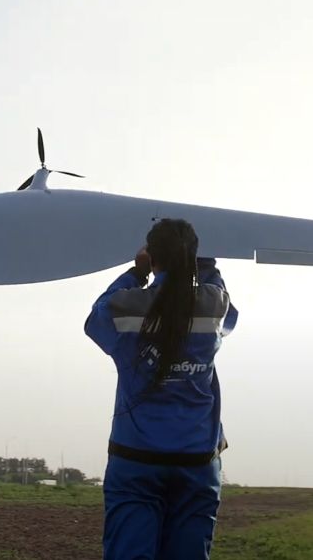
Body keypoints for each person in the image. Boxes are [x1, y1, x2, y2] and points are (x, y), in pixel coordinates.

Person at [84, 218, 238, 560]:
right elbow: (230, 315)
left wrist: (136, 274)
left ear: (151, 257)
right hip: (197, 463)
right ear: (193, 258)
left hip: (136, 461)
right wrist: (208, 268)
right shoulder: (213, 305)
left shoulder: (126, 307)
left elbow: (95, 318)